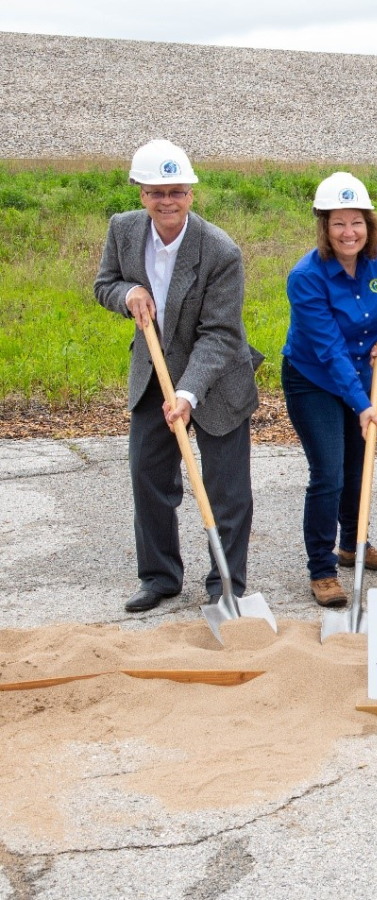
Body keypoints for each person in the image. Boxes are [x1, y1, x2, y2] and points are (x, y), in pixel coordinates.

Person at [94, 139, 262, 613]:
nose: (167, 201)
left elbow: (221, 335)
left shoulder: (220, 249)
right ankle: (160, 577)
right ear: (140, 193)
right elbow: (103, 284)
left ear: (191, 192)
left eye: (177, 191)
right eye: (156, 192)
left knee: (227, 491)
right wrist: (126, 293)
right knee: (149, 479)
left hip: (219, 378)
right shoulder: (123, 230)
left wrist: (187, 393)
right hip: (153, 373)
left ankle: (225, 586)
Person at [282, 172, 377, 607]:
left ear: (369, 224)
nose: (348, 232)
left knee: (359, 470)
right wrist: (361, 405)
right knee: (330, 474)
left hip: (361, 375)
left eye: (356, 221)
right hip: (313, 379)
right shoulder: (306, 276)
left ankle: (353, 545)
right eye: (338, 223)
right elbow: (330, 350)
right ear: (324, 226)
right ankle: (321, 569)